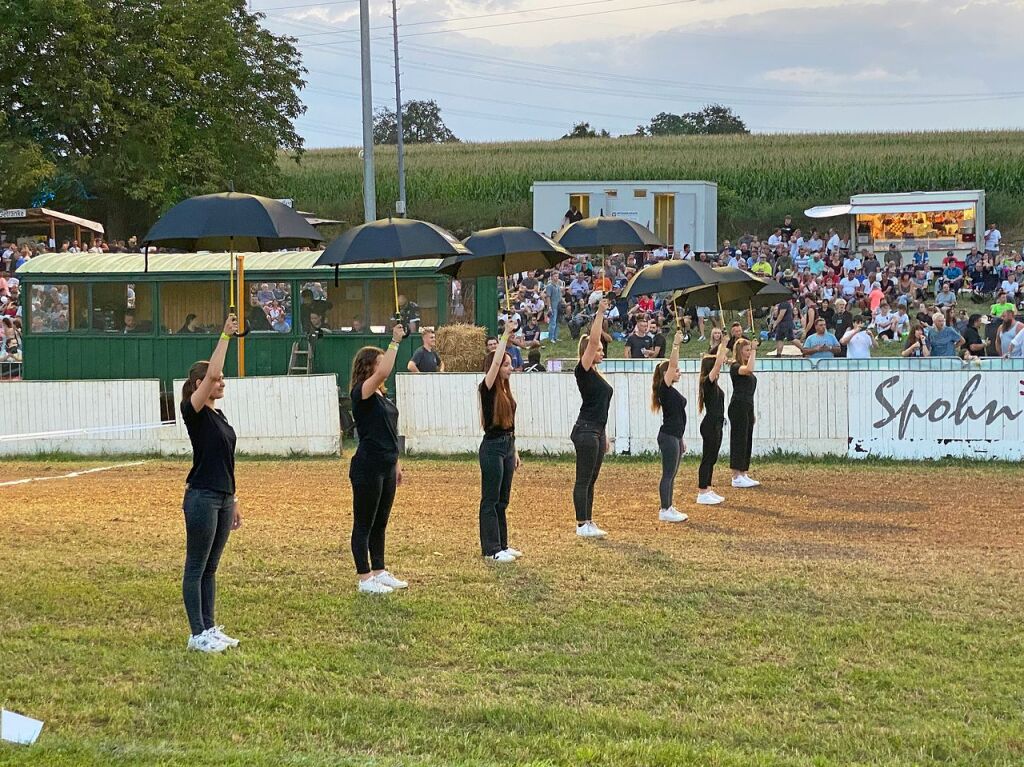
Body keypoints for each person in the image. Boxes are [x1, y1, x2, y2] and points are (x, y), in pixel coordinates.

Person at [179, 314, 243, 654]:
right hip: (202, 497)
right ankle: (196, 633)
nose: (221, 383)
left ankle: (209, 627)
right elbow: (215, 370)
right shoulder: (193, 410)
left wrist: (234, 499)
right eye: (213, 381)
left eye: (220, 381)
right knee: (196, 566)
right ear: (198, 384)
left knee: (211, 567)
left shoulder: (219, 417)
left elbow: (227, 462)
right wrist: (225, 336)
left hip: (221, 497)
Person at [349, 324, 409, 594]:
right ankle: (364, 578)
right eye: (381, 362)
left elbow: (390, 431)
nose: (386, 368)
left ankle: (379, 570)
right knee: (364, 523)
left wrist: (396, 461)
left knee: (380, 522)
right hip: (368, 466)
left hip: (386, 464)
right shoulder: (361, 392)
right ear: (369, 367)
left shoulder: (382, 396)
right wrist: (395, 340)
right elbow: (386, 371)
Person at [478, 327, 523, 563]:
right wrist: (505, 336)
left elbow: (511, 425)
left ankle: (502, 545)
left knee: (502, 500)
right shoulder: (486, 388)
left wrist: (514, 451)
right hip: (492, 447)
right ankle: (491, 548)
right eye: (506, 365)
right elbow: (494, 365)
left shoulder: (506, 391)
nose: (510, 368)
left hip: (506, 447)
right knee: (490, 499)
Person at [572, 297, 613, 539]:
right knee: (583, 479)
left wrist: (604, 435)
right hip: (585, 431)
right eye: (596, 350)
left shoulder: (597, 374)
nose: (600, 351)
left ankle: (589, 520)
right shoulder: (583, 370)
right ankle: (581, 523)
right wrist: (600, 312)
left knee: (592, 479)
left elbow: (603, 410)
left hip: (596, 431)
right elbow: (595, 338)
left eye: (600, 350)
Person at [650, 330, 688, 523]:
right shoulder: (664, 389)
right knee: (668, 474)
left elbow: (678, 417)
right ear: (666, 374)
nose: (678, 372)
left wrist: (681, 438)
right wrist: (675, 344)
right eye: (676, 370)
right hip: (668, 436)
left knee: (672, 474)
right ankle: (664, 508)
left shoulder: (670, 390)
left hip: (675, 436)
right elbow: (672, 364)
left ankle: (669, 506)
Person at [696, 340, 728, 505]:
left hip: (716, 423)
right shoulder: (706, 382)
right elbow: (717, 365)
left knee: (712, 458)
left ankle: (707, 488)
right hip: (710, 424)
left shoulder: (713, 384)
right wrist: (724, 343)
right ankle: (702, 491)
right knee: (707, 458)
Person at [728, 339, 759, 488]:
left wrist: (752, 411)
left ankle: (743, 472)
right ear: (740, 351)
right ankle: (736, 475)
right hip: (738, 405)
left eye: (749, 350)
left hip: (747, 405)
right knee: (739, 439)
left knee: (747, 439)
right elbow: (749, 370)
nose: (748, 353)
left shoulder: (744, 365)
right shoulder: (735, 367)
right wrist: (754, 350)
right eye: (746, 350)